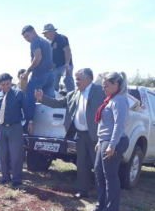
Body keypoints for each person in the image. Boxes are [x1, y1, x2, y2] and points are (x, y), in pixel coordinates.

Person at [35, 68, 106, 198]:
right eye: (76, 78)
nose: (76, 81)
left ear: (89, 78)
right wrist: (42, 98)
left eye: (79, 78)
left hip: (97, 135)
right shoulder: (73, 94)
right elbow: (57, 103)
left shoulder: (100, 91)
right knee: (82, 164)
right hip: (80, 135)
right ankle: (82, 190)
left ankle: (102, 194)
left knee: (99, 166)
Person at [92, 72, 130, 211]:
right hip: (105, 141)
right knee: (99, 173)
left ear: (116, 85)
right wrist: (99, 141)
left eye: (106, 86)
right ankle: (101, 205)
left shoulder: (119, 100)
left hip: (114, 141)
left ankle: (111, 210)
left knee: (110, 176)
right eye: (103, 86)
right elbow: (104, 124)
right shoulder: (110, 100)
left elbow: (118, 125)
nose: (104, 89)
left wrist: (112, 145)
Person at [0, 73, 33, 187]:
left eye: (8, 84)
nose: (6, 87)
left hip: (15, 128)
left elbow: (26, 109)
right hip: (1, 128)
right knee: (2, 154)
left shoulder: (18, 94)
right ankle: (5, 177)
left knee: (16, 155)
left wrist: (30, 122)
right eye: (3, 85)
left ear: (11, 82)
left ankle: (17, 179)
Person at [20, 25, 55, 119]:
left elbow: (38, 57)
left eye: (27, 36)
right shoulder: (46, 42)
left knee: (29, 100)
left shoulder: (35, 41)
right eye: (25, 37)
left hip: (39, 75)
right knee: (48, 102)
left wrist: (27, 72)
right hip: (51, 75)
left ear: (33, 32)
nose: (27, 39)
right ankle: (47, 125)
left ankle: (28, 125)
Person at [42, 24, 75, 93]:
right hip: (55, 68)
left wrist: (67, 64)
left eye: (45, 33)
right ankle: (54, 101)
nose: (44, 35)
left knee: (67, 78)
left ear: (51, 31)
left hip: (64, 65)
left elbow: (67, 50)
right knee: (53, 85)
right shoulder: (48, 43)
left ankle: (73, 97)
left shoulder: (61, 38)